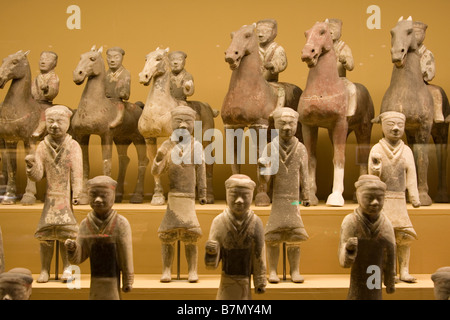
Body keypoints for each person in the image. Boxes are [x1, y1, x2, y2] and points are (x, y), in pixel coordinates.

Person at [25, 105, 83, 283]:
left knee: (67, 236)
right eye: (50, 122)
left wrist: (78, 192)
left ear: (68, 123)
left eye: (60, 121)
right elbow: (38, 175)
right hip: (50, 200)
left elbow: (77, 173)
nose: (55, 125)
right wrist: (31, 167)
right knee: (46, 236)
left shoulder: (73, 146)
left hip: (65, 199)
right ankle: (44, 270)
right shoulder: (42, 146)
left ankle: (67, 269)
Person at [152, 106, 207, 283]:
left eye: (187, 122)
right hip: (174, 197)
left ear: (193, 124)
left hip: (189, 197)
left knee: (190, 235)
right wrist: (159, 158)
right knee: (168, 235)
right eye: (178, 121)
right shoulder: (167, 145)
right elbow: (156, 172)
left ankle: (192, 270)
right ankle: (167, 269)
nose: (183, 125)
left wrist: (203, 193)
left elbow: (201, 171)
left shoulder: (196, 146)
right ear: (172, 123)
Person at [258, 107, 309, 283]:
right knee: (273, 236)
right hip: (278, 200)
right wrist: (262, 169)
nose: (287, 127)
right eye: (282, 123)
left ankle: (295, 270)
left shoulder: (301, 148)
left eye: (291, 123)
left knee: (294, 237)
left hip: (295, 202)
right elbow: (265, 179)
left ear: (297, 125)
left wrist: (307, 196)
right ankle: (272, 271)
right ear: (276, 125)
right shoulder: (270, 148)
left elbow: (305, 174)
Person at [368, 111, 420, 283]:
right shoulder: (376, 149)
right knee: (383, 238)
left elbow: (411, 174)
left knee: (404, 237)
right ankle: (386, 271)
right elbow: (372, 176)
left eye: (400, 125)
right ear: (383, 127)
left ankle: (404, 270)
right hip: (382, 201)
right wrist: (376, 170)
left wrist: (414, 196)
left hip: (400, 200)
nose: (396, 128)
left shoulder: (406, 150)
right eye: (391, 125)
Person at [65, 175, 134, 300]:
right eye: (93, 195)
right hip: (96, 279)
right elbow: (78, 258)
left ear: (113, 195)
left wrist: (127, 280)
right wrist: (73, 248)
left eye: (104, 195)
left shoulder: (121, 223)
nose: (97, 199)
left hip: (112, 279)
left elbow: (126, 255)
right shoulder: (86, 224)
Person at [205, 174, 266, 300]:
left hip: (245, 280)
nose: (239, 200)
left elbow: (259, 254)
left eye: (245, 196)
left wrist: (260, 281)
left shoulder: (256, 222)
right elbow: (211, 265)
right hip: (226, 280)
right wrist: (211, 252)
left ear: (252, 196)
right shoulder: (219, 221)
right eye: (234, 195)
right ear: (227, 195)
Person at [338, 175, 396, 300]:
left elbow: (391, 253)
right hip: (358, 273)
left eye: (379, 198)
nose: (375, 202)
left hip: (375, 271)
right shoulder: (350, 222)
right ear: (358, 196)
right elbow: (342, 257)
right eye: (369, 198)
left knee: (374, 294)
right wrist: (348, 249)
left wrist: (390, 280)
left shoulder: (386, 224)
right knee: (357, 294)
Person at [413, 21, 444, 123]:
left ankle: (438, 113)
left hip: (422, 83)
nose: (415, 36)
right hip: (407, 83)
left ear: (423, 35)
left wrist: (423, 73)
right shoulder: (405, 53)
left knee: (435, 91)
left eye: (418, 33)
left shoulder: (427, 53)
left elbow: (431, 71)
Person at [327, 19, 357, 117]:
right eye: (328, 29)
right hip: (323, 80)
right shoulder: (320, 48)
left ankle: (350, 111)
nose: (330, 31)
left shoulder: (343, 47)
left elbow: (351, 66)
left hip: (340, 79)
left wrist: (345, 60)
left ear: (340, 32)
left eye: (334, 29)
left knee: (352, 89)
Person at [31, 51, 60, 138]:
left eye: (47, 59)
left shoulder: (53, 77)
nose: (43, 62)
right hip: (34, 103)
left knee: (44, 113)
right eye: (41, 59)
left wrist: (47, 89)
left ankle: (41, 128)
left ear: (54, 63)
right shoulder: (36, 78)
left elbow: (54, 91)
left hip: (45, 104)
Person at [105, 47, 131, 128]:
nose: (112, 60)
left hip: (117, 100)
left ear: (121, 58)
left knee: (119, 106)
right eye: (109, 57)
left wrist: (124, 93)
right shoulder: (105, 74)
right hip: (105, 101)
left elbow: (126, 91)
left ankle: (118, 119)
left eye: (116, 57)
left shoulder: (125, 73)